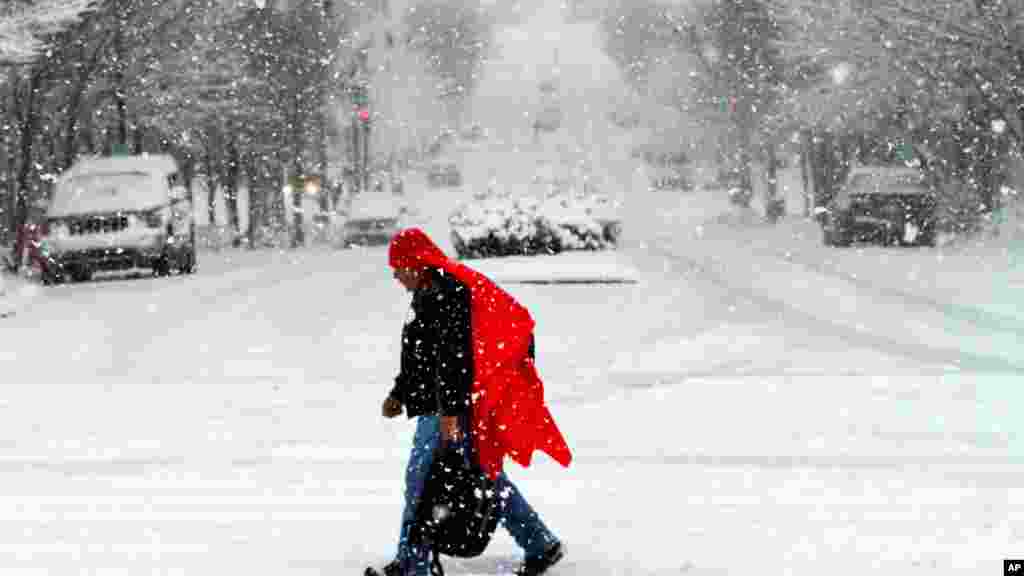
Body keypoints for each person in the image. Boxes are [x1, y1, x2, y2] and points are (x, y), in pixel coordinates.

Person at [366, 228, 572, 576]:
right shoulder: (426, 293)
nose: (395, 275)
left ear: (417, 263)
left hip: (449, 408)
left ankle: (414, 564)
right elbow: (420, 356)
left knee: (422, 479)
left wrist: (449, 414)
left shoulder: (449, 293)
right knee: (481, 477)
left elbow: (454, 361)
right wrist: (399, 393)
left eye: (399, 267)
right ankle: (540, 542)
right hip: (444, 405)